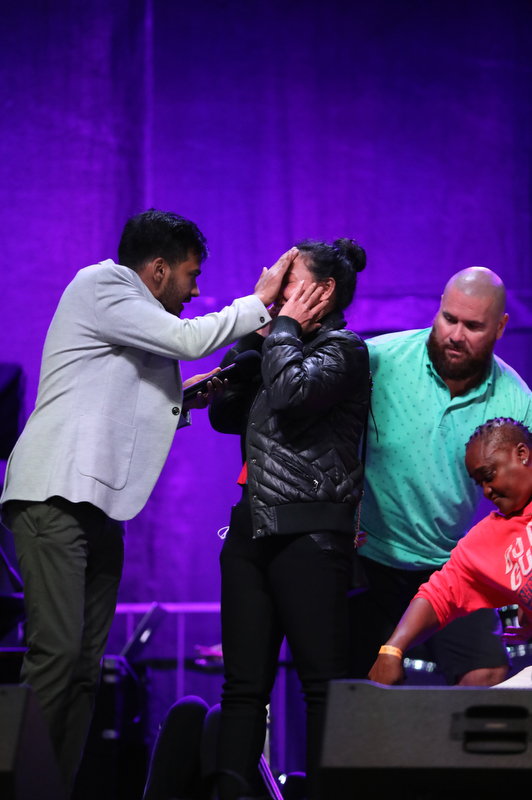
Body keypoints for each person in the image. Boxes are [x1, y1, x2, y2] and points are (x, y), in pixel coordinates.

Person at [0, 208, 297, 794]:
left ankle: (52, 789)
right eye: (191, 275)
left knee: (83, 672)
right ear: (158, 269)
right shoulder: (102, 284)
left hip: (98, 511)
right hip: (55, 498)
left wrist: (192, 395)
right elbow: (187, 339)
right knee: (56, 657)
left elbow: (119, 402)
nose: (195, 290)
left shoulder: (132, 320)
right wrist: (260, 301)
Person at [209, 238, 370, 800]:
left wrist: (279, 331)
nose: (276, 291)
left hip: (311, 535)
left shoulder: (345, 349)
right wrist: (255, 332)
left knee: (320, 687)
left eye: (288, 280)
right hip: (251, 530)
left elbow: (292, 393)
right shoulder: (276, 343)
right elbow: (224, 414)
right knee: (242, 690)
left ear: (324, 291)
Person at [348, 267, 532, 687]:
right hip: (366, 559)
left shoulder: (517, 402)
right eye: (449, 318)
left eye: (473, 326)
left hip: (447, 562)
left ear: (501, 327)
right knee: (353, 688)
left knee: (487, 674)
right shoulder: (378, 360)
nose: (455, 335)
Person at [368, 417, 532, 685]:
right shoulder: (489, 539)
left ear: (522, 454)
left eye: (489, 475)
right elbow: (439, 594)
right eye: (479, 483)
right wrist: (392, 649)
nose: (487, 491)